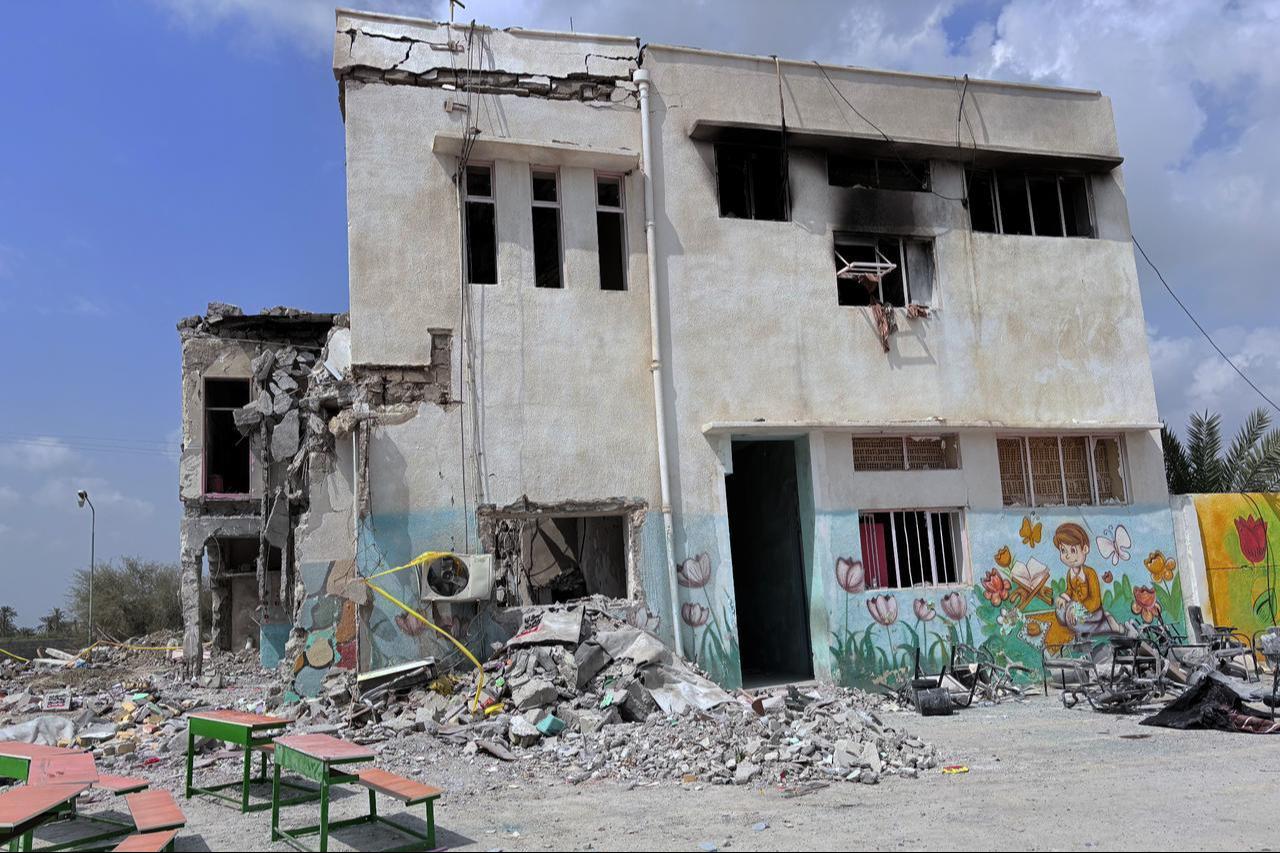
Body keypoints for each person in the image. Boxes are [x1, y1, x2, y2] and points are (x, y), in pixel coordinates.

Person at [1043, 522, 1119, 649]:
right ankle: (1075, 621)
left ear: (1085, 549)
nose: (1067, 555)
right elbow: (1069, 590)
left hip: (1092, 612)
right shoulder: (1070, 573)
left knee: (1075, 624)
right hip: (1075, 608)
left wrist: (1077, 610)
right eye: (1063, 550)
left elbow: (1095, 601)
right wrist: (1063, 598)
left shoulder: (1090, 573)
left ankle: (1107, 624)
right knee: (1060, 612)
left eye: (1073, 550)